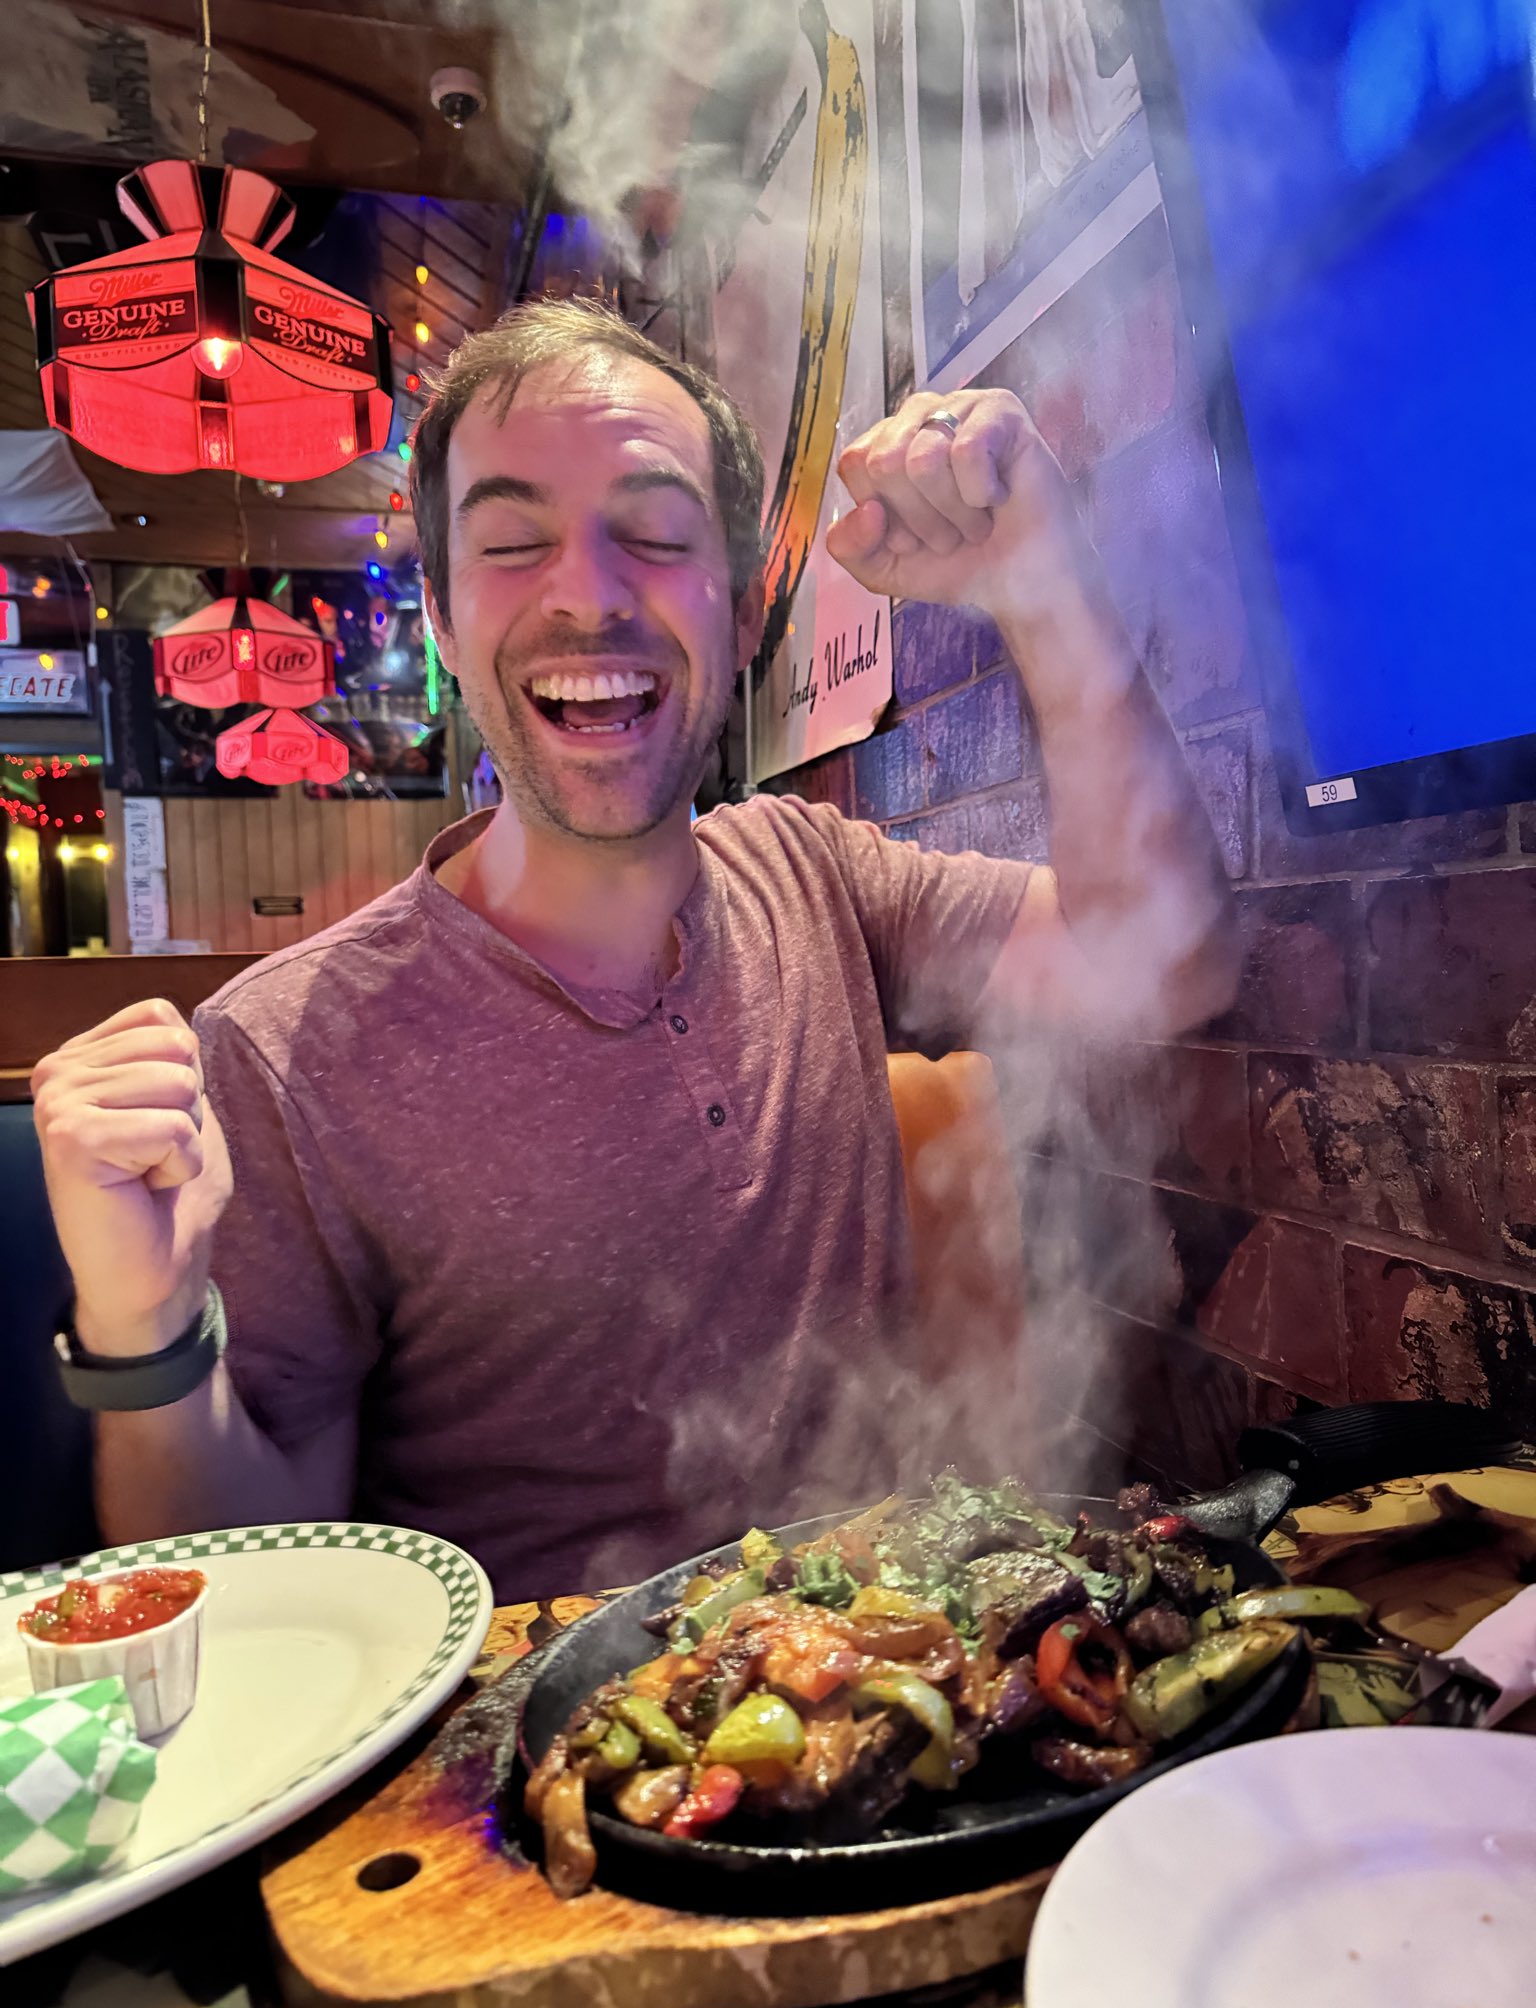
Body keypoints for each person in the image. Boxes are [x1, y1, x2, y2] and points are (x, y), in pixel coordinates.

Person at [31, 298, 1237, 1601]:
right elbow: (249, 1591)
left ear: (742, 608)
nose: (590, 596)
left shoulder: (817, 873)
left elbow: (1165, 962)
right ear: (442, 619)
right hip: (532, 1721)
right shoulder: (283, 1052)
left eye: (656, 536)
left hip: (885, 1663)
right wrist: (144, 1330)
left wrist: (1045, 584)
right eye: (512, 543)